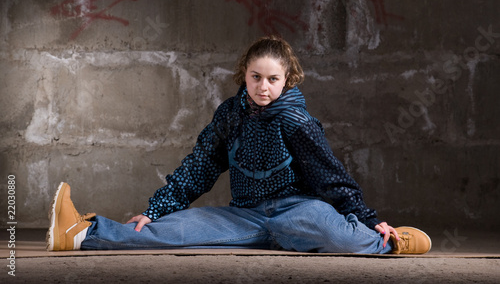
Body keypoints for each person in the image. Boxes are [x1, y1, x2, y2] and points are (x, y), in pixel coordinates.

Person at [47, 36, 431, 254]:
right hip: (244, 215)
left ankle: (392, 242)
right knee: (168, 232)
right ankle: (80, 233)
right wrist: (158, 208)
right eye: (255, 77)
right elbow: (201, 166)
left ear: (287, 80)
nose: (263, 87)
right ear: (244, 76)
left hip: (297, 212)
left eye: (273, 79)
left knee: (339, 237)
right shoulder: (230, 115)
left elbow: (330, 176)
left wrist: (366, 217)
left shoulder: (296, 119)